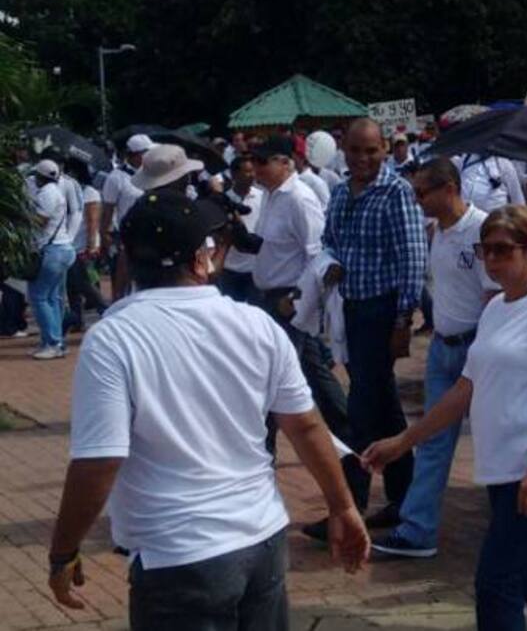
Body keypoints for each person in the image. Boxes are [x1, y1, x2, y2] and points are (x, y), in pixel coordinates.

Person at [47, 191, 369, 627]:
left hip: (179, 555)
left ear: (127, 258)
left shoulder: (114, 337)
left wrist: (63, 551)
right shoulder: (256, 324)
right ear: (204, 257)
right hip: (262, 538)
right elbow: (308, 427)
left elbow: (99, 459)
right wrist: (343, 507)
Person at [362, 205, 527, 631]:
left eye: (503, 250)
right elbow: (464, 390)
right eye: (485, 250)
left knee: (495, 583)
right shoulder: (495, 309)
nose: (491, 260)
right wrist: (403, 442)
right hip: (503, 469)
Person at [373, 158, 499, 558]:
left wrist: (485, 353)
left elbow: (494, 297)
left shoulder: (482, 231)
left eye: (422, 192)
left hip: (476, 349)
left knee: (497, 439)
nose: (417, 199)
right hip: (444, 348)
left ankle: (514, 522)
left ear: (449, 189)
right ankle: (417, 529)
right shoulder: (438, 233)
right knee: (431, 440)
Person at [321, 119, 428, 530]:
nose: (363, 159)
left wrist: (404, 318)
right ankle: (404, 497)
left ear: (385, 149)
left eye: (371, 151)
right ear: (343, 151)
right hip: (350, 309)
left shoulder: (396, 191)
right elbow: (328, 238)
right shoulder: (339, 192)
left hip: (383, 311)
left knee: (364, 408)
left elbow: (413, 257)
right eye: (355, 151)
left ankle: (349, 504)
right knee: (383, 407)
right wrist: (328, 263)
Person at [250, 134, 355, 506]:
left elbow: (319, 257)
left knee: (277, 384)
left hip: (290, 303)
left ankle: (263, 465)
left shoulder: (299, 198)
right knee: (310, 378)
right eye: (255, 161)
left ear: (286, 162)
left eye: (264, 161)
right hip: (273, 301)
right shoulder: (272, 196)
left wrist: (299, 301)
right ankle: (353, 438)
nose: (257, 168)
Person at [28, 160, 77, 360]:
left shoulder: (47, 193)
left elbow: (41, 221)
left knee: (39, 297)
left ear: (40, 177)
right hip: (62, 248)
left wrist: (21, 216)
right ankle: (56, 342)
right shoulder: (55, 190)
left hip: (52, 250)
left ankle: (53, 342)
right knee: (52, 298)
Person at [101, 133, 153, 301]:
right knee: (123, 282)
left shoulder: (153, 174)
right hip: (127, 235)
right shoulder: (116, 178)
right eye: (146, 153)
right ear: (135, 154)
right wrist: (105, 237)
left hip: (152, 234)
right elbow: (107, 210)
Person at [63, 159, 107, 334]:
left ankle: (105, 310)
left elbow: (92, 221)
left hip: (82, 246)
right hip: (70, 243)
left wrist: (92, 245)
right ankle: (77, 319)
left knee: (85, 283)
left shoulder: (90, 192)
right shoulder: (70, 191)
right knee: (71, 286)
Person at [217, 155, 263, 304]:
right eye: (247, 172)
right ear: (234, 174)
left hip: (256, 268)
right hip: (230, 269)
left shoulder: (262, 197)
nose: (252, 175)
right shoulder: (224, 200)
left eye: (253, 171)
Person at [459, 153, 525, 212]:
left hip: (493, 218)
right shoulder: (466, 158)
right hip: (467, 216)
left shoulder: (503, 163)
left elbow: (517, 196)